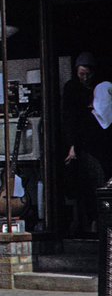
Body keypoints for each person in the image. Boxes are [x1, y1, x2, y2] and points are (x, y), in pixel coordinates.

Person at [62, 52, 103, 233]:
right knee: (82, 182)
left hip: (97, 139)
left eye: (88, 74)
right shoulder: (72, 88)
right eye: (81, 74)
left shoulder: (100, 88)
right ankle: (86, 221)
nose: (85, 78)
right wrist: (71, 145)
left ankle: (96, 220)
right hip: (80, 141)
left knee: (98, 180)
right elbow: (69, 118)